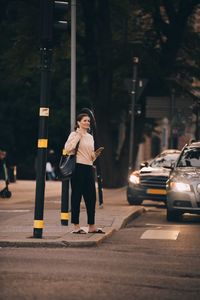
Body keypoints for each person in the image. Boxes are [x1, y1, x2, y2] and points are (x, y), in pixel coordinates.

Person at [64, 113, 104, 234]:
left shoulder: (90, 137)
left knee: (91, 197)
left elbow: (91, 156)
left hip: (88, 167)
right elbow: (67, 149)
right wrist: (78, 136)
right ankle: (76, 226)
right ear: (78, 122)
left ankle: (91, 225)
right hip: (77, 168)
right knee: (76, 196)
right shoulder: (74, 134)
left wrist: (95, 154)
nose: (87, 122)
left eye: (88, 121)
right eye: (85, 120)